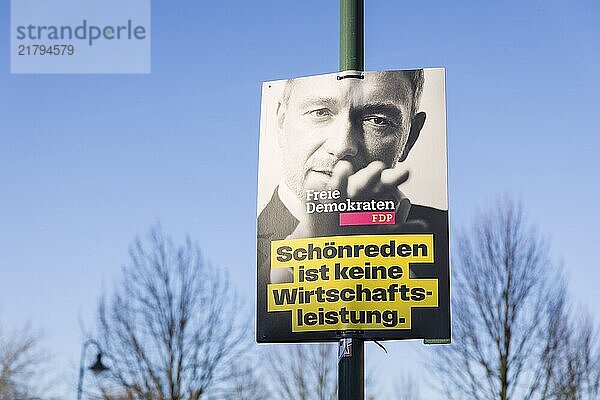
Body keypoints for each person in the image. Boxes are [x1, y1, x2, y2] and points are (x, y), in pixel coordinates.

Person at [256, 70, 449, 342]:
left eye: (377, 121)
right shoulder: (241, 250)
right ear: (281, 121)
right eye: (320, 112)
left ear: (410, 136)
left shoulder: (446, 243)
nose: (343, 145)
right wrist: (304, 248)